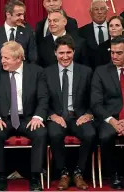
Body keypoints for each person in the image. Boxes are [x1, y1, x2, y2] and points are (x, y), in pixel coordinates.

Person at [0, 41, 48, 191]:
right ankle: (0, 177)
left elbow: (43, 97)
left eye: (6, 58)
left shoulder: (36, 71)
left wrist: (38, 117)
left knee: (41, 133)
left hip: (28, 118)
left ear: (18, 58)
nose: (2, 61)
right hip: (4, 119)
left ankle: (35, 177)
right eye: (2, 57)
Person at [45, 35, 95, 190]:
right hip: (57, 117)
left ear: (74, 52)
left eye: (68, 52)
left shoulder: (86, 72)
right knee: (54, 134)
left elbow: (94, 98)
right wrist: (52, 115)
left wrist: (89, 114)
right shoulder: (46, 73)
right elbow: (41, 100)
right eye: (61, 53)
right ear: (55, 53)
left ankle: (79, 172)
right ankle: (63, 173)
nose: (65, 57)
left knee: (90, 134)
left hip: (79, 116)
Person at [91, 36, 124, 190]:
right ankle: (114, 173)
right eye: (113, 52)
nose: (114, 56)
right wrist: (112, 121)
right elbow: (96, 104)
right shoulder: (101, 71)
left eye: (119, 53)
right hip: (109, 117)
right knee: (105, 136)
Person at [0, 0, 37, 67]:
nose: (22, 18)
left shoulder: (28, 33)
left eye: (23, 14)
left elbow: (33, 59)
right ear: (8, 15)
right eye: (18, 15)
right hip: (0, 74)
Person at [79, 0, 109, 70]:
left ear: (107, 11)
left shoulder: (115, 28)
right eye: (96, 9)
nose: (100, 12)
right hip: (91, 72)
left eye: (102, 9)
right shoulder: (81, 32)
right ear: (90, 12)